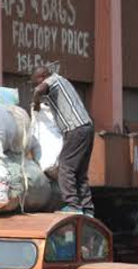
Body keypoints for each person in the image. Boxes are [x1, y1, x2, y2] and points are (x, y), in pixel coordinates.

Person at [31, 66, 95, 218]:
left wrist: (36, 104)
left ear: (42, 76)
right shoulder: (63, 82)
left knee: (66, 167)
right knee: (80, 172)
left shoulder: (53, 80)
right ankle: (87, 209)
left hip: (75, 129)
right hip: (87, 128)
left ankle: (73, 205)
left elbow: (38, 90)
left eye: (34, 81)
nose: (34, 85)